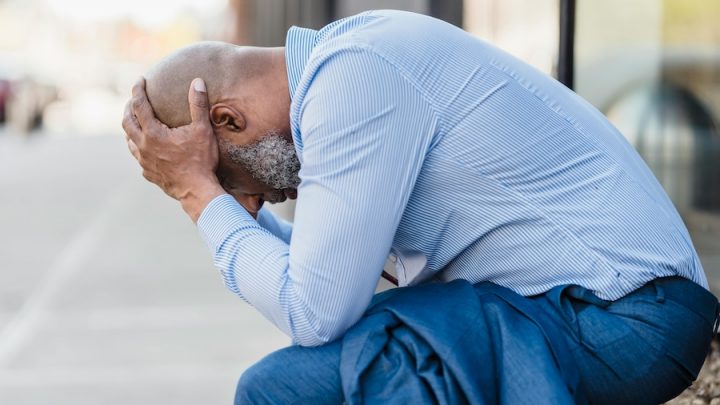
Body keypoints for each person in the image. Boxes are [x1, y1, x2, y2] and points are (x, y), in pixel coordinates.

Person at [122, 10, 717, 404]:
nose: (250, 197)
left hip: (627, 317)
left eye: (231, 176)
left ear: (226, 119)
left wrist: (200, 197)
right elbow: (331, 286)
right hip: (587, 310)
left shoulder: (352, 83)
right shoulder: (352, 62)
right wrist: (231, 213)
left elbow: (314, 311)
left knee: (280, 390)